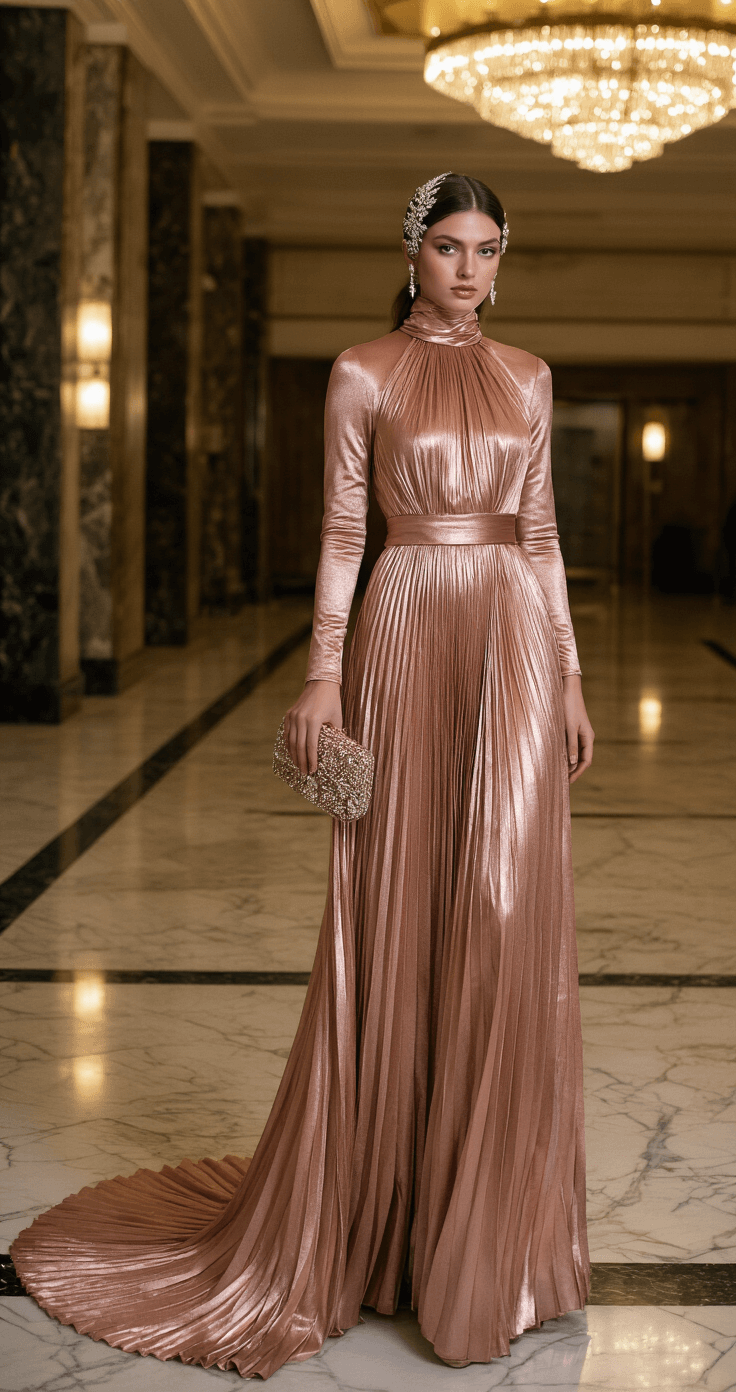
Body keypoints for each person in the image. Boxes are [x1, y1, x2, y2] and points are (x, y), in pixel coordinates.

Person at [11, 173, 595, 1379]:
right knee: (390, 918)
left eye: (489, 250)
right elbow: (343, 532)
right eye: (448, 247)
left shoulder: (530, 377)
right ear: (413, 250)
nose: (471, 271)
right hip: (399, 625)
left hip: (513, 649)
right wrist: (324, 677)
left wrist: (573, 676)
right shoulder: (361, 372)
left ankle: (484, 1246)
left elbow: (538, 538)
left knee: (500, 911)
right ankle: (374, 1228)